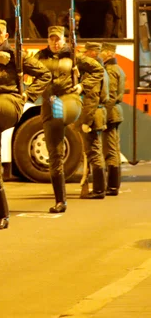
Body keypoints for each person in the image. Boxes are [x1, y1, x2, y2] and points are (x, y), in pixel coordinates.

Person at [0, 19, 51, 229]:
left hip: (9, 105)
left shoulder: (17, 55)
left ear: (6, 36)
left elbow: (45, 74)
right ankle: (2, 215)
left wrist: (29, 95)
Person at [34, 26, 104, 213]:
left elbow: (97, 70)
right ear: (47, 40)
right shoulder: (40, 57)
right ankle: (60, 201)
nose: (55, 43)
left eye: (58, 39)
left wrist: (82, 86)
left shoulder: (74, 57)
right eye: (52, 39)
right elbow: (29, 69)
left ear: (64, 40)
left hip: (69, 101)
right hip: (50, 106)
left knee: (65, 109)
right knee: (54, 154)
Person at [77, 42, 109, 200]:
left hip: (93, 115)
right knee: (96, 152)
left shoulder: (93, 73)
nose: (83, 55)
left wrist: (86, 121)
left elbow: (91, 98)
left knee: (94, 153)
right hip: (98, 113)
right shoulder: (102, 69)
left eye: (85, 52)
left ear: (91, 54)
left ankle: (98, 190)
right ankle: (99, 188)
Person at [101, 42, 126, 195]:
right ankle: (114, 185)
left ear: (109, 53)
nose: (100, 54)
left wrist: (103, 113)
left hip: (111, 113)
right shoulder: (117, 69)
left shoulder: (110, 70)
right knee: (114, 149)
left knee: (110, 150)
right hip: (116, 112)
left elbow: (110, 96)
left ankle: (112, 186)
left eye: (103, 51)